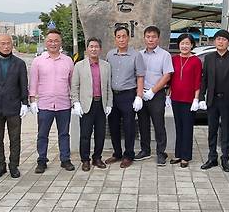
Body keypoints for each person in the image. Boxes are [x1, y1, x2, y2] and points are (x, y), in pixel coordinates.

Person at [0, 34, 29, 179]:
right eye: (3, 43)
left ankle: (14, 166)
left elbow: (23, 85)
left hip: (14, 107)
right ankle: (0, 166)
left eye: (9, 43)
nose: (6, 46)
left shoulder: (20, 63)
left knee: (15, 138)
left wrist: (24, 103)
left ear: (12, 45)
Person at [29, 29, 75, 173]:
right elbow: (33, 82)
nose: (53, 43)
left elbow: (72, 83)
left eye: (56, 41)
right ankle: (42, 160)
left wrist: (74, 101)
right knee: (42, 134)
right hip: (44, 104)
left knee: (64, 133)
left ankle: (65, 159)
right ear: (45, 42)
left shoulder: (68, 61)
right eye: (50, 41)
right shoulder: (38, 61)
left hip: (63, 104)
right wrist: (32, 101)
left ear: (60, 42)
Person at [199, 29, 229, 173]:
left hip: (228, 100)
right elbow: (204, 79)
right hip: (212, 99)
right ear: (214, 41)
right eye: (218, 39)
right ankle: (212, 157)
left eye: (224, 39)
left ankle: (225, 158)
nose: (221, 42)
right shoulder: (209, 58)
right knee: (212, 130)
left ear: (228, 43)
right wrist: (201, 97)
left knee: (226, 130)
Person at [104, 26, 146, 169]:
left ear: (128, 38)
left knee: (129, 127)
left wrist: (139, 96)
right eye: (118, 37)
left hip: (128, 95)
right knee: (113, 126)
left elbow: (140, 77)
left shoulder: (136, 55)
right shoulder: (110, 55)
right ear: (115, 38)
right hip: (113, 96)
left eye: (124, 36)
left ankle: (129, 155)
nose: (121, 39)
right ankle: (117, 153)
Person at [70, 37, 112, 171]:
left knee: (100, 134)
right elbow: (74, 86)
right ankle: (85, 160)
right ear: (87, 49)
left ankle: (97, 158)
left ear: (100, 49)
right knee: (85, 134)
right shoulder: (79, 66)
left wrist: (109, 103)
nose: (93, 49)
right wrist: (75, 102)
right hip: (86, 105)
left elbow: (108, 87)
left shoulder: (106, 66)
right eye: (91, 46)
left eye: (96, 46)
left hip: (101, 104)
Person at [137, 26, 173, 165]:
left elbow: (167, 76)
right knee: (143, 124)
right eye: (148, 36)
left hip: (156, 94)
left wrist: (153, 91)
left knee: (159, 124)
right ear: (144, 38)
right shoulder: (139, 54)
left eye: (153, 37)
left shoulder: (165, 55)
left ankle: (161, 153)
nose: (150, 39)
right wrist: (140, 94)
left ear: (158, 38)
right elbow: (137, 74)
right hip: (142, 94)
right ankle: (145, 150)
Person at [168, 33, 201, 168]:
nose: (185, 46)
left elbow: (198, 81)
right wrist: (168, 95)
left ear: (192, 45)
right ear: (179, 44)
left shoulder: (196, 61)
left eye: (187, 43)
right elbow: (170, 78)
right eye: (182, 43)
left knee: (187, 128)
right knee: (178, 126)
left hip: (189, 99)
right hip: (175, 98)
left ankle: (186, 156)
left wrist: (196, 98)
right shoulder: (173, 59)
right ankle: (178, 153)